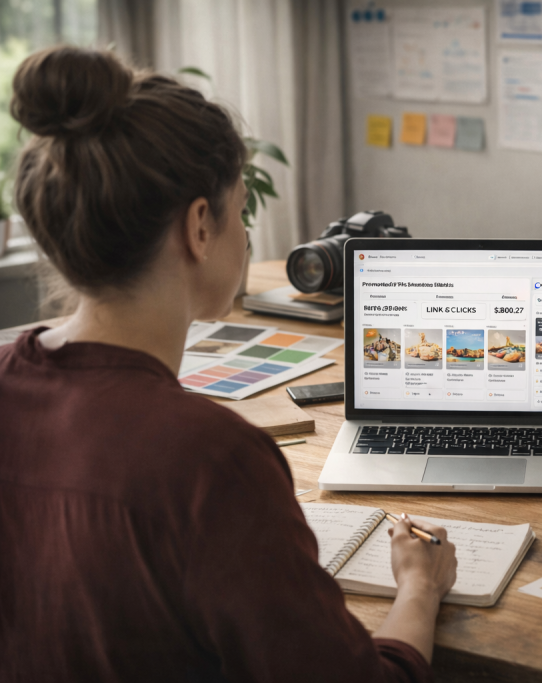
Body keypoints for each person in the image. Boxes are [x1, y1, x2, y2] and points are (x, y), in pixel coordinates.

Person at [0, 47, 456, 682]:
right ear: (199, 227)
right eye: (241, 208)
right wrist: (419, 586)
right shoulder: (213, 460)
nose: (246, 233)